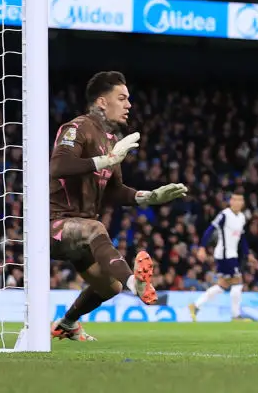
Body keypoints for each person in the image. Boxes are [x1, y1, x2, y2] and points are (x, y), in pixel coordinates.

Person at [49, 71, 188, 341]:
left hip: (82, 232)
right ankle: (135, 283)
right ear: (102, 102)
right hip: (53, 224)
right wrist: (106, 159)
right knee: (95, 229)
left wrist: (149, 197)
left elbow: (114, 191)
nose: (129, 105)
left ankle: (67, 323)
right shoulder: (76, 128)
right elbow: (58, 166)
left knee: (109, 287)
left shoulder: (112, 141)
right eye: (122, 98)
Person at [189, 191, 258, 322]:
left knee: (222, 285)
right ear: (230, 201)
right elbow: (210, 229)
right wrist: (202, 247)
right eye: (235, 200)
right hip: (225, 255)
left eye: (240, 200)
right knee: (238, 283)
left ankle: (195, 306)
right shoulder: (224, 215)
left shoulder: (242, 217)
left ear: (243, 203)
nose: (238, 203)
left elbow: (242, 238)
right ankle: (235, 315)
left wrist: (248, 254)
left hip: (232, 254)